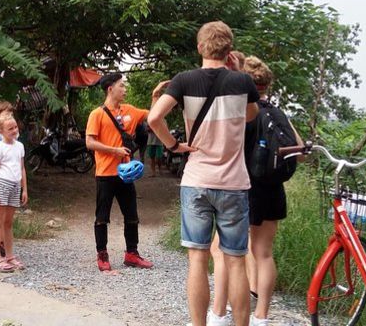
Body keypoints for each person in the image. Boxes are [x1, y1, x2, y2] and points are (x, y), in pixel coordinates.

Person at [148, 21, 259, 326]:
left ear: (200, 47)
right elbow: (251, 116)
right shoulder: (243, 83)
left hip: (196, 180)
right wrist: (238, 73)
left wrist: (173, 145)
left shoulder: (184, 80)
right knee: (236, 262)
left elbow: (154, 117)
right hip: (234, 183)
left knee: (197, 260)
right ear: (229, 50)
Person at [209, 55, 305, 326]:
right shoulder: (276, 113)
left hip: (243, 187)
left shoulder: (242, 113)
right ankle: (261, 316)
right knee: (263, 253)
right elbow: (298, 152)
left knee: (222, 250)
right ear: (267, 84)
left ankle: (218, 313)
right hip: (272, 189)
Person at [85, 73, 168, 272]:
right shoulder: (97, 114)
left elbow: (154, 116)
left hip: (126, 174)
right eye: (121, 86)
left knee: (132, 215)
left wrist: (156, 96)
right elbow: (89, 142)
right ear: (110, 89)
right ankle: (102, 254)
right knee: (102, 216)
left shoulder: (129, 110)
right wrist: (114, 150)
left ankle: (132, 253)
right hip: (105, 173)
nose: (125, 89)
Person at [0, 113, 28, 272]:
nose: (14, 130)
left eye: (15, 127)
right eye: (9, 128)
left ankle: (9, 255)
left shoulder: (20, 146)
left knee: (8, 222)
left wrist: (24, 188)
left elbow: (22, 168)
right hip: (3, 184)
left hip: (15, 185)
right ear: (1, 131)